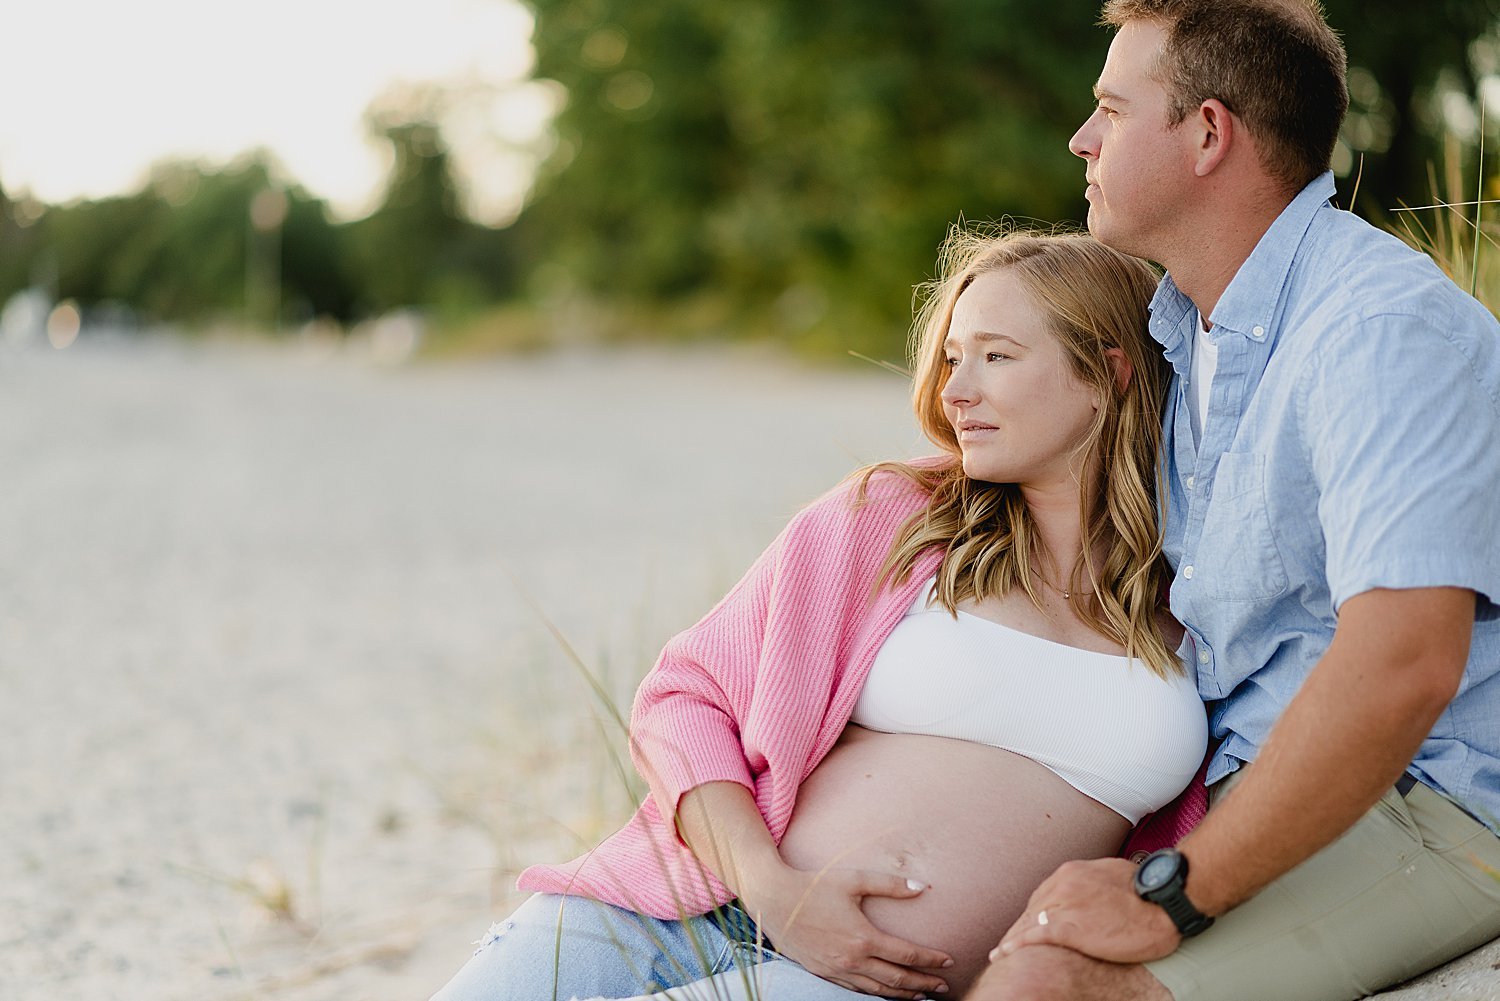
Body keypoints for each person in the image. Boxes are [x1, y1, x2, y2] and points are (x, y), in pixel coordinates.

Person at [427, 229, 1208, 1001]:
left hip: (866, 985)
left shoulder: (1210, 591)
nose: (955, 390)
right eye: (951, 358)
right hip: (683, 908)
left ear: (1109, 374)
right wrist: (775, 892)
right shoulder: (899, 517)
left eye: (996, 356)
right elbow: (683, 699)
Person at [968, 3, 1500, 1000]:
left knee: (1056, 980)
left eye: (1112, 112)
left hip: (1436, 801)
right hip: (1250, 791)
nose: (1081, 139)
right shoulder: (1182, 331)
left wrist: (1173, 892)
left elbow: (1404, 663)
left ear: (1208, 134)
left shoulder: (1378, 331)